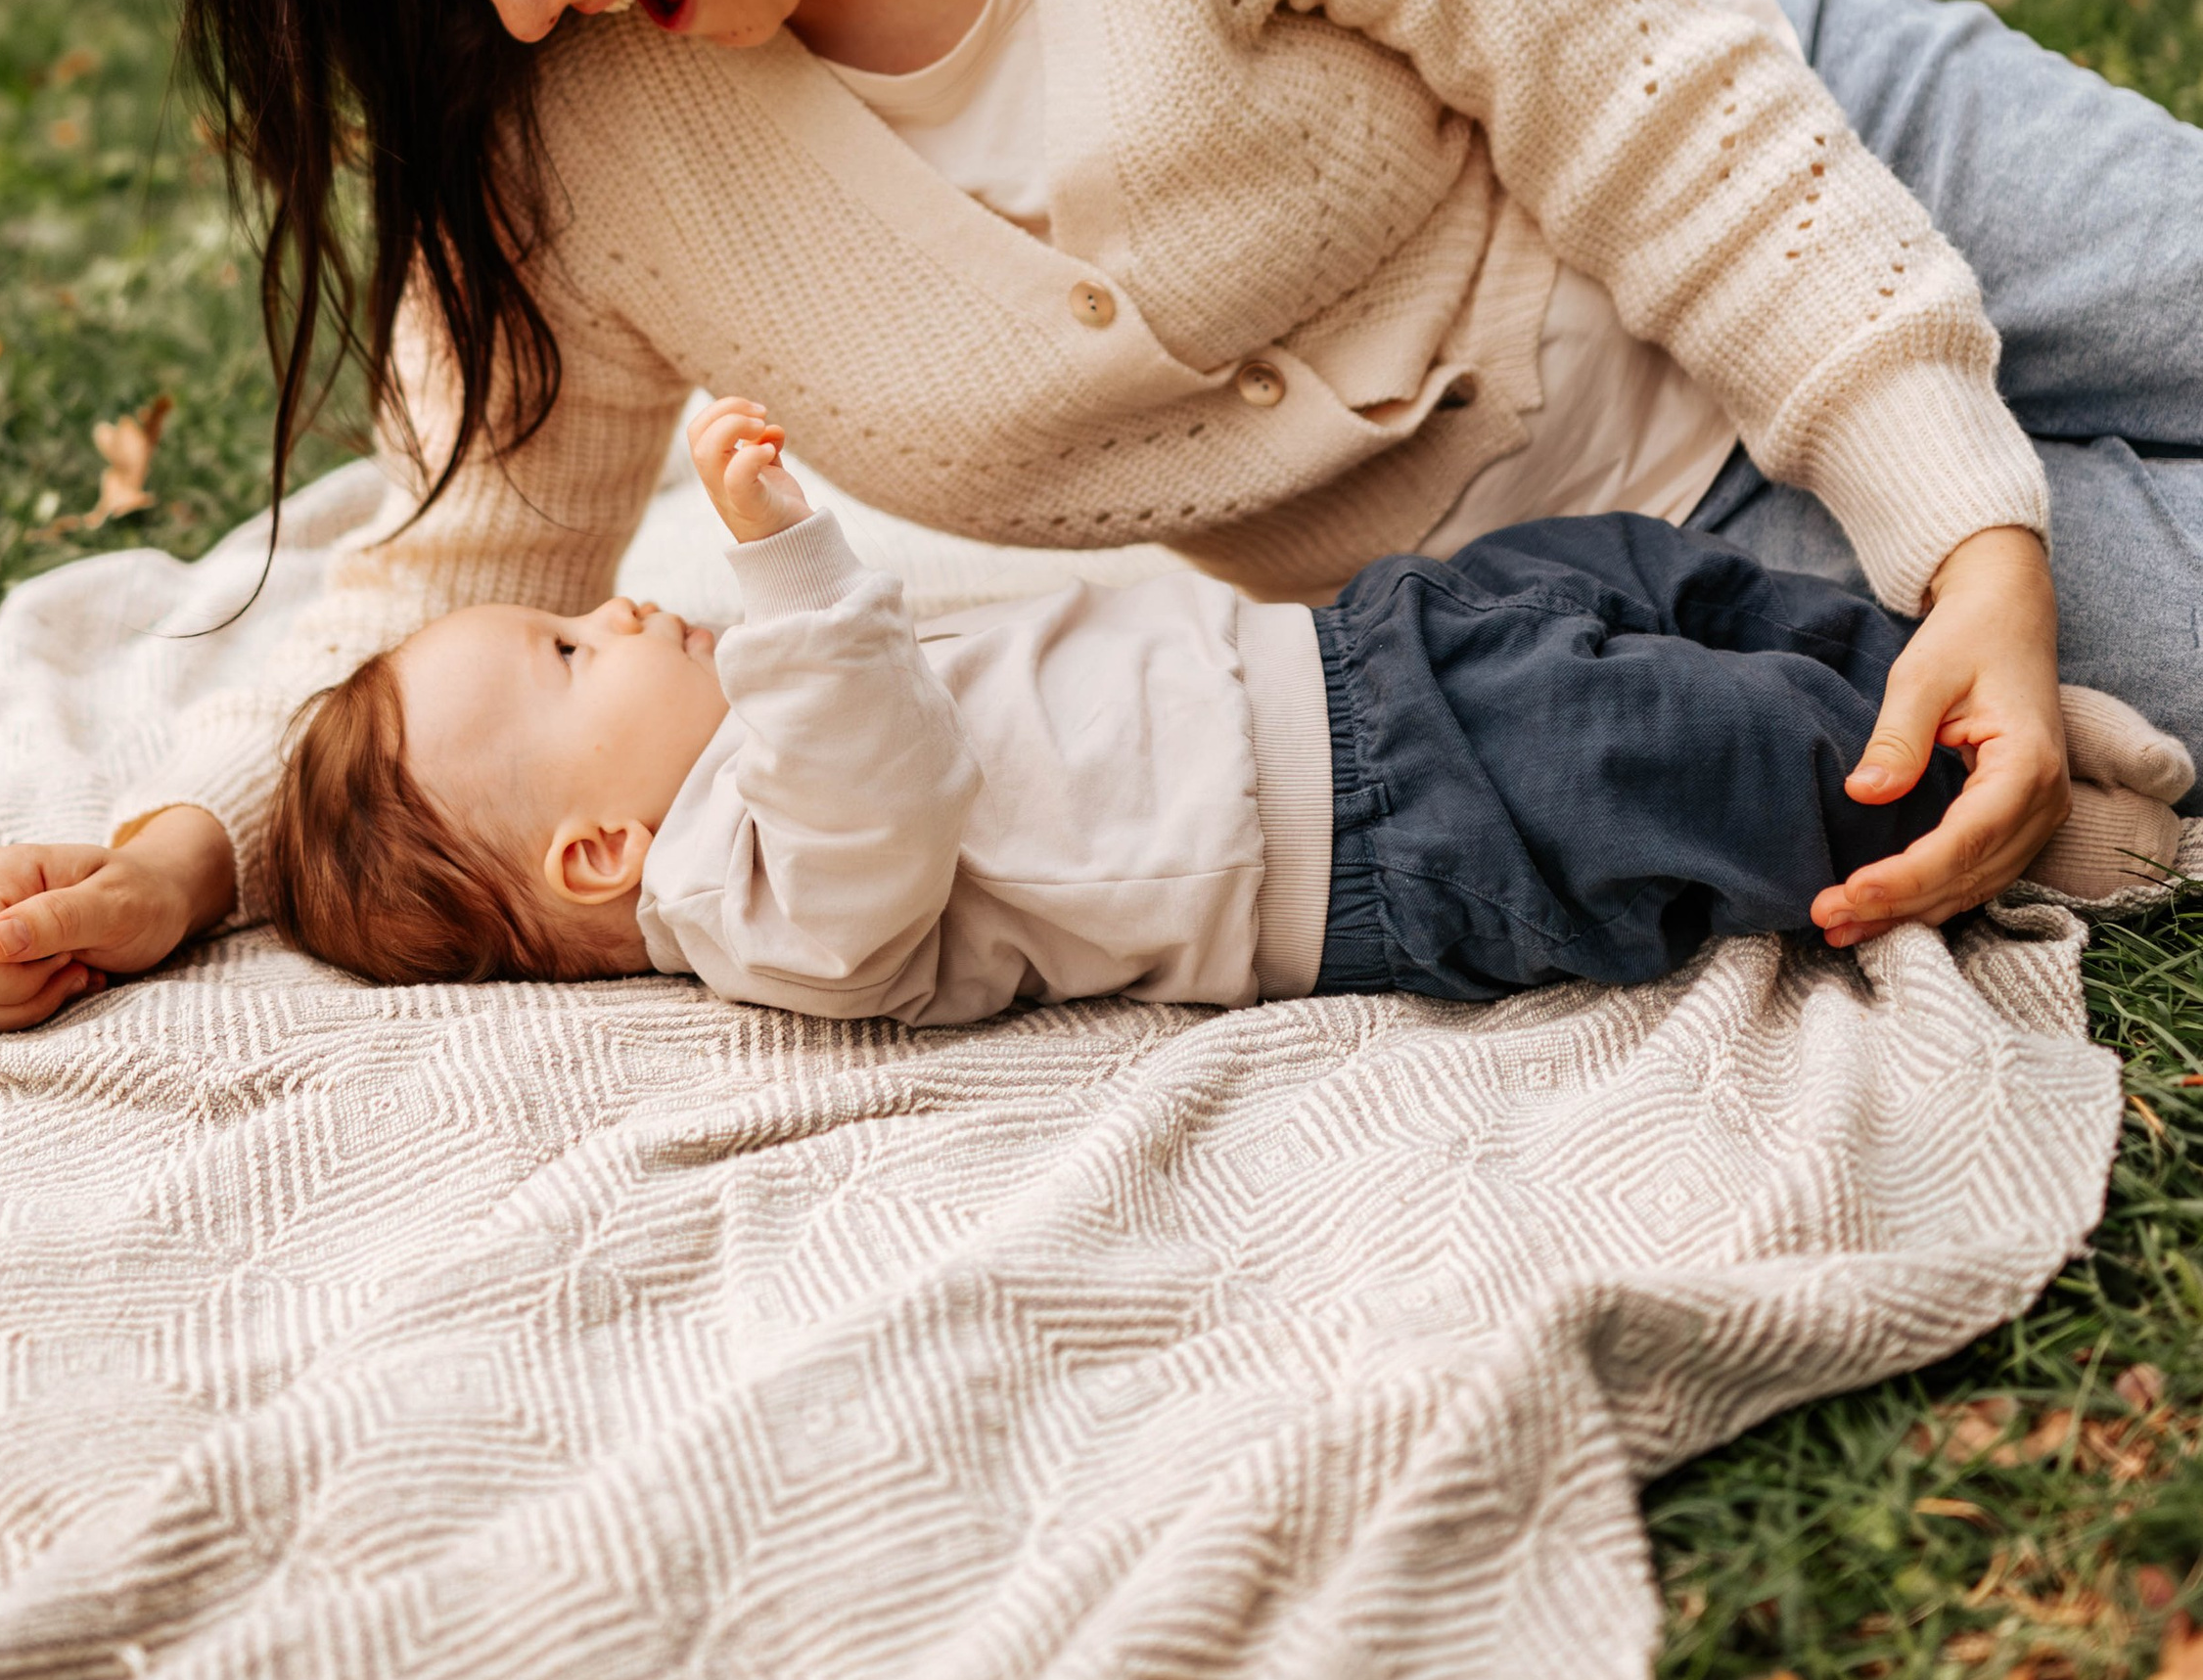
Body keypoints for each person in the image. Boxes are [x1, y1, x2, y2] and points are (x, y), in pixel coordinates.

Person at [0, 0, 2203, 1035]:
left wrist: (1970, 542)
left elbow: (1637, 97)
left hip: (1790, 156)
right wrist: (189, 849)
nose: (515, 0)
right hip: (1629, 546)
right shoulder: (567, 134)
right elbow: (457, 569)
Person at [242, 400, 2183, 1025]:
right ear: (592, 851)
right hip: (1372, 828)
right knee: (1671, 750)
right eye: (570, 658)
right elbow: (884, 785)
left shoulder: (746, 730)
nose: (617, 610)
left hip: (1333, 661)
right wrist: (780, 559)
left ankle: (1947, 693)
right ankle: (1974, 832)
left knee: (1631, 576)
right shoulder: (763, 901)